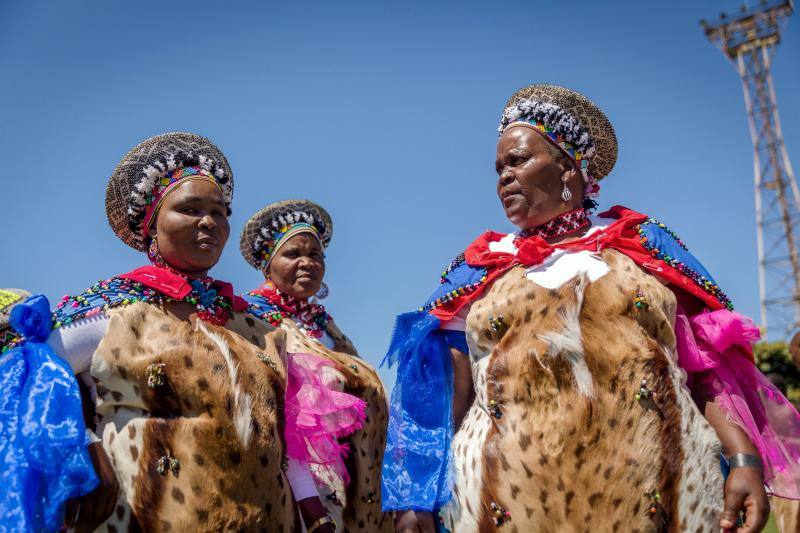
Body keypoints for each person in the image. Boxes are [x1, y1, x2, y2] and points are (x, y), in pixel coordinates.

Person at [382, 85, 800, 532]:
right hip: (506, 507)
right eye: (499, 167)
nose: (504, 176)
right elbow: (437, 394)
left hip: (650, 505)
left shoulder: (641, 246)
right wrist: (414, 499)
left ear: (567, 167)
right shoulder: (481, 267)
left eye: (518, 160)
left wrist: (742, 458)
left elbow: (707, 364)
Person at [6, 132, 303, 531]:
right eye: (190, 209)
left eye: (219, 212)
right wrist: (83, 449)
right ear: (151, 225)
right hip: (145, 518)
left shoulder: (257, 328)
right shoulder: (114, 311)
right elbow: (24, 373)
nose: (209, 222)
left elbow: (283, 443)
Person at [240, 199, 391, 532]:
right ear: (268, 265)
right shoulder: (251, 321)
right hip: (289, 493)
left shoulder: (328, 328)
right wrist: (310, 506)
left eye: (315, 255)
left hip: (350, 486)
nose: (307, 263)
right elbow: (275, 417)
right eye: (293, 254)